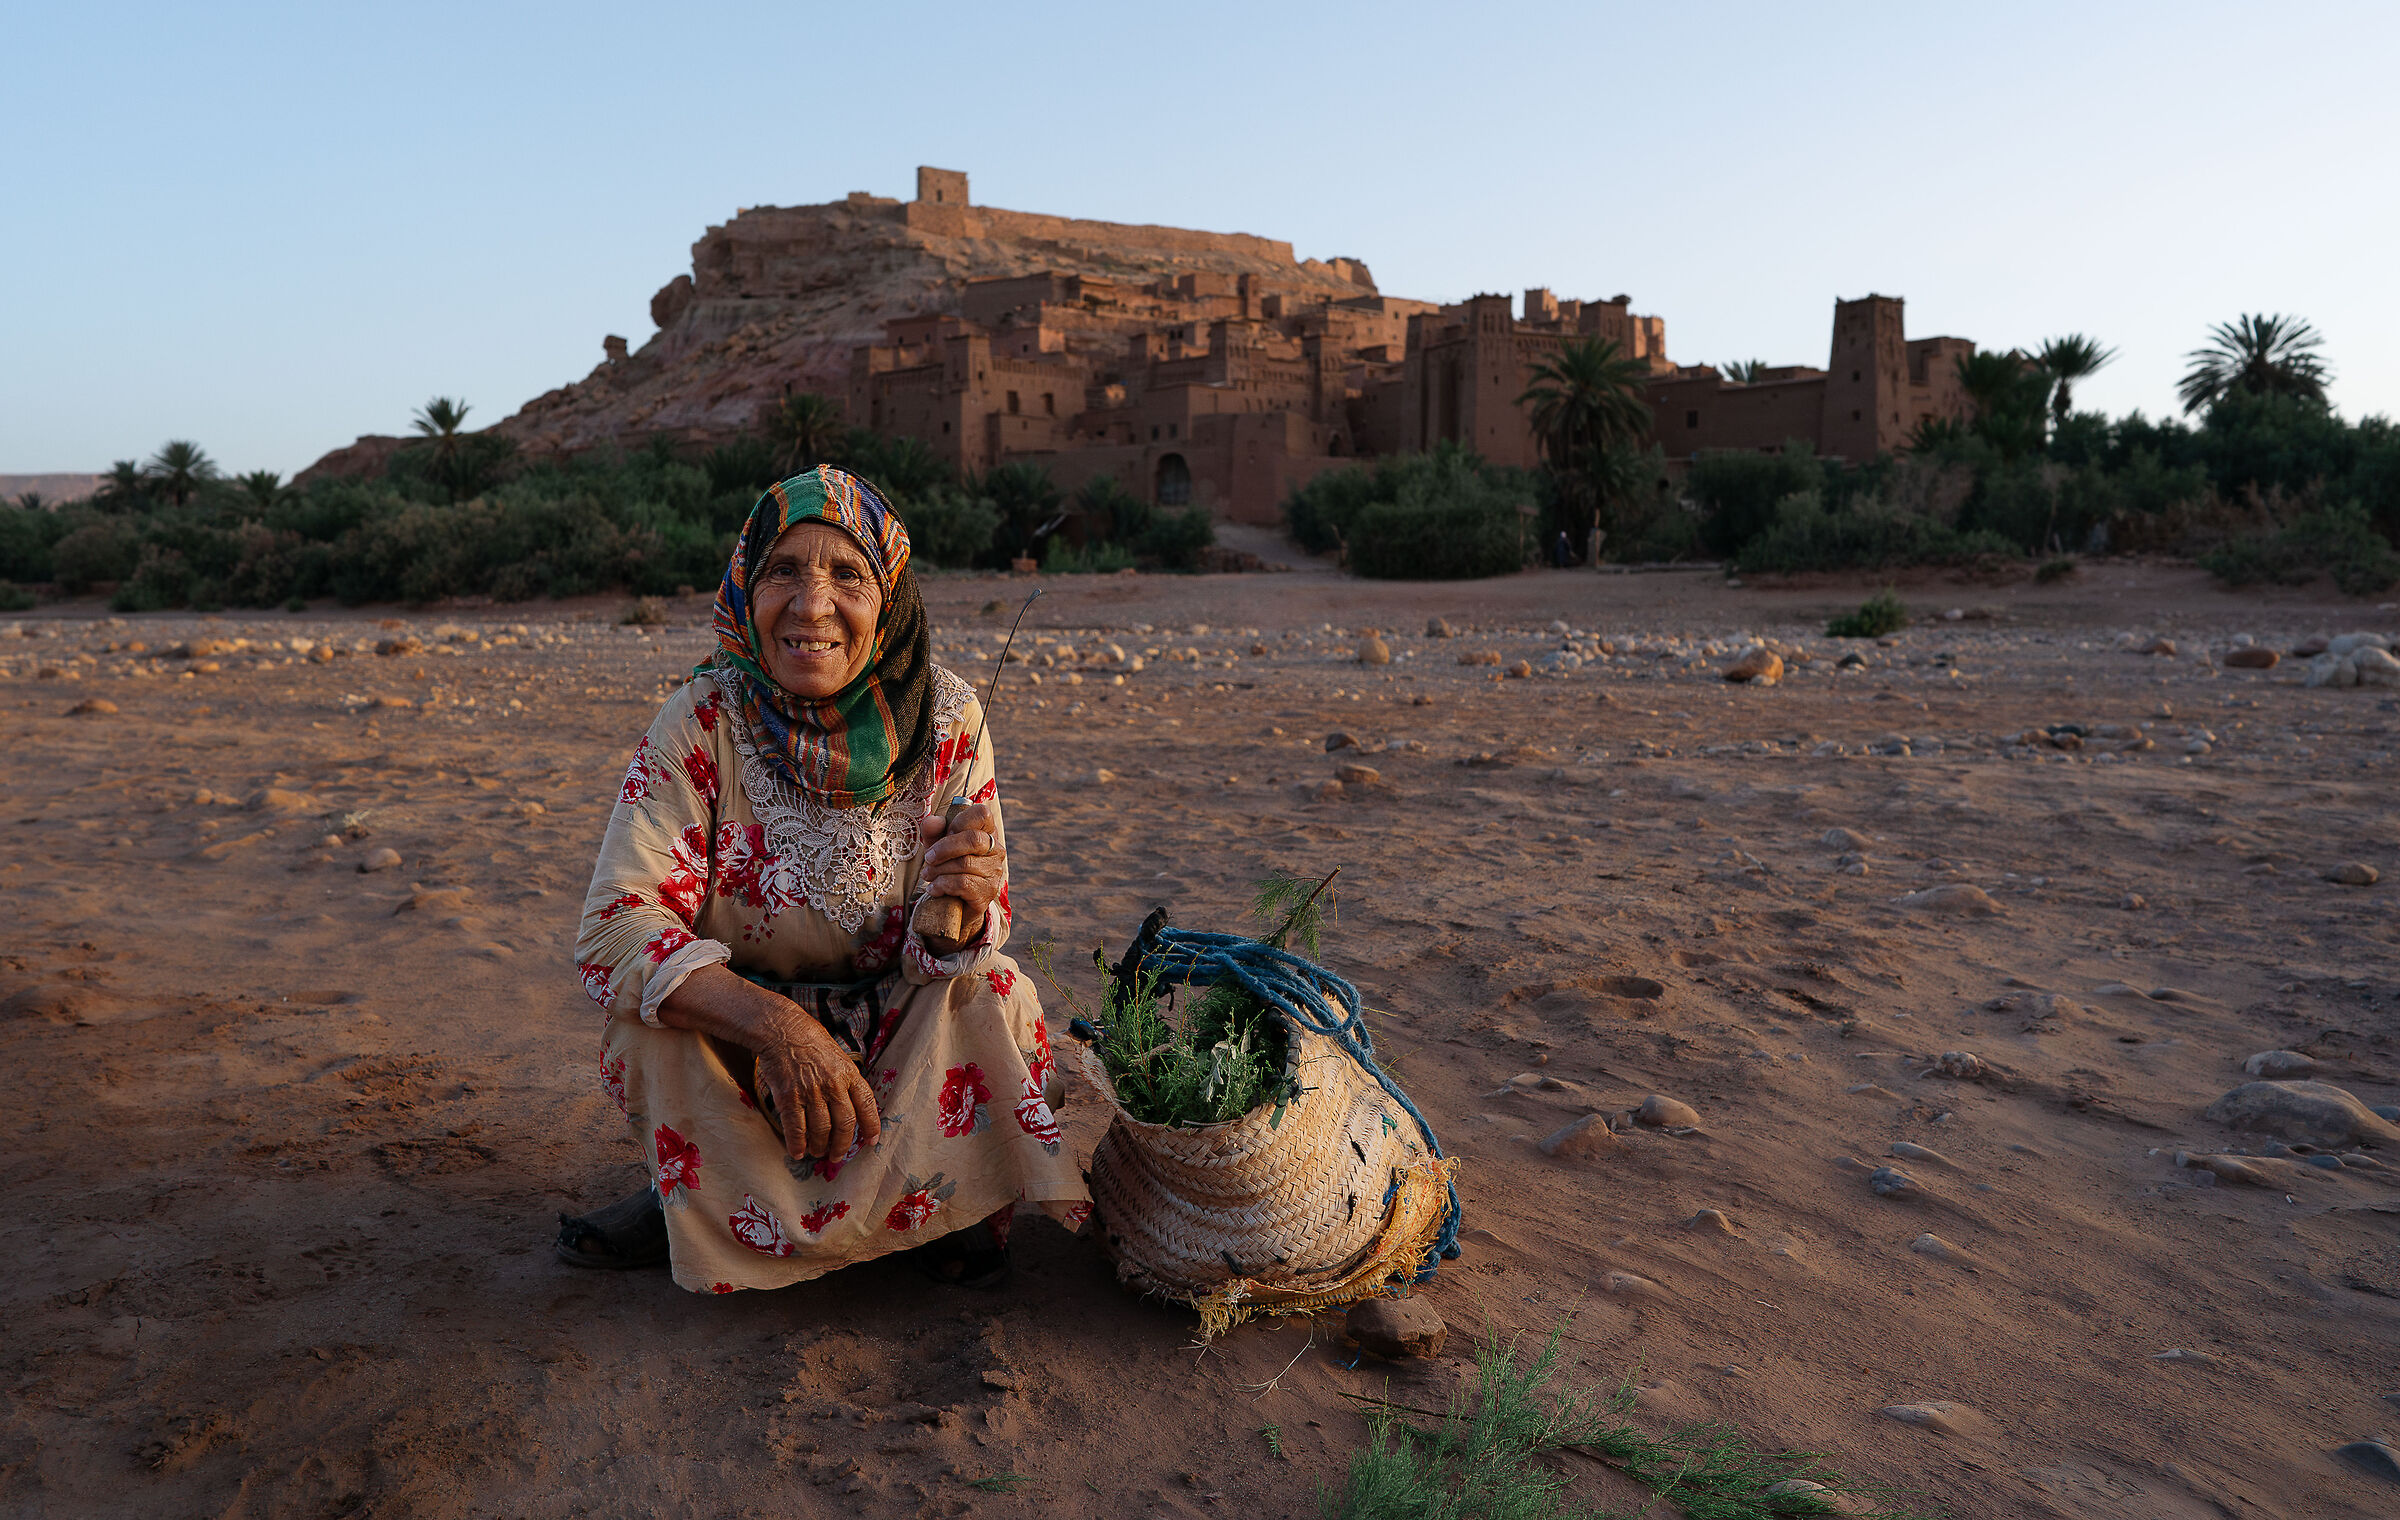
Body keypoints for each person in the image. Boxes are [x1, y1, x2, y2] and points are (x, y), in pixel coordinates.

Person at [555, 465, 1088, 1293]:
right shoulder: (703, 718)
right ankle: (700, 1200)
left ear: (891, 601)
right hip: (742, 1044)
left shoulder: (949, 719)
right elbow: (615, 930)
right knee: (649, 1026)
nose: (811, 606)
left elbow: (959, 941)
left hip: (894, 1040)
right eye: (782, 573)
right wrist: (778, 1032)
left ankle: (746, 1210)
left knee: (997, 992)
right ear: (744, 590)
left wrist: (968, 897)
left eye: (847, 575)